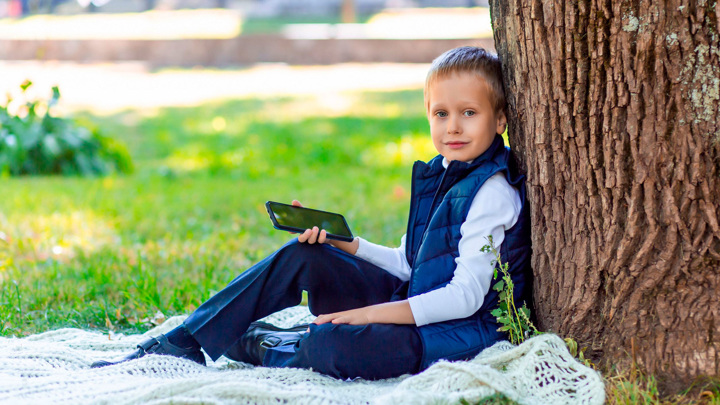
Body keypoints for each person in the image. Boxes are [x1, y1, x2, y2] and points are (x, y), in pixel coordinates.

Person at [92, 46, 532, 380]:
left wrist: (367, 314)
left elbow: (465, 297)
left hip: (455, 333)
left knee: (336, 345)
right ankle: (184, 341)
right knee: (308, 253)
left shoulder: (491, 191)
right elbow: (409, 264)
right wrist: (348, 244)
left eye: (468, 113)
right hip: (411, 304)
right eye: (441, 113)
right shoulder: (442, 173)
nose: (452, 126)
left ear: (500, 121)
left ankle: (270, 342)